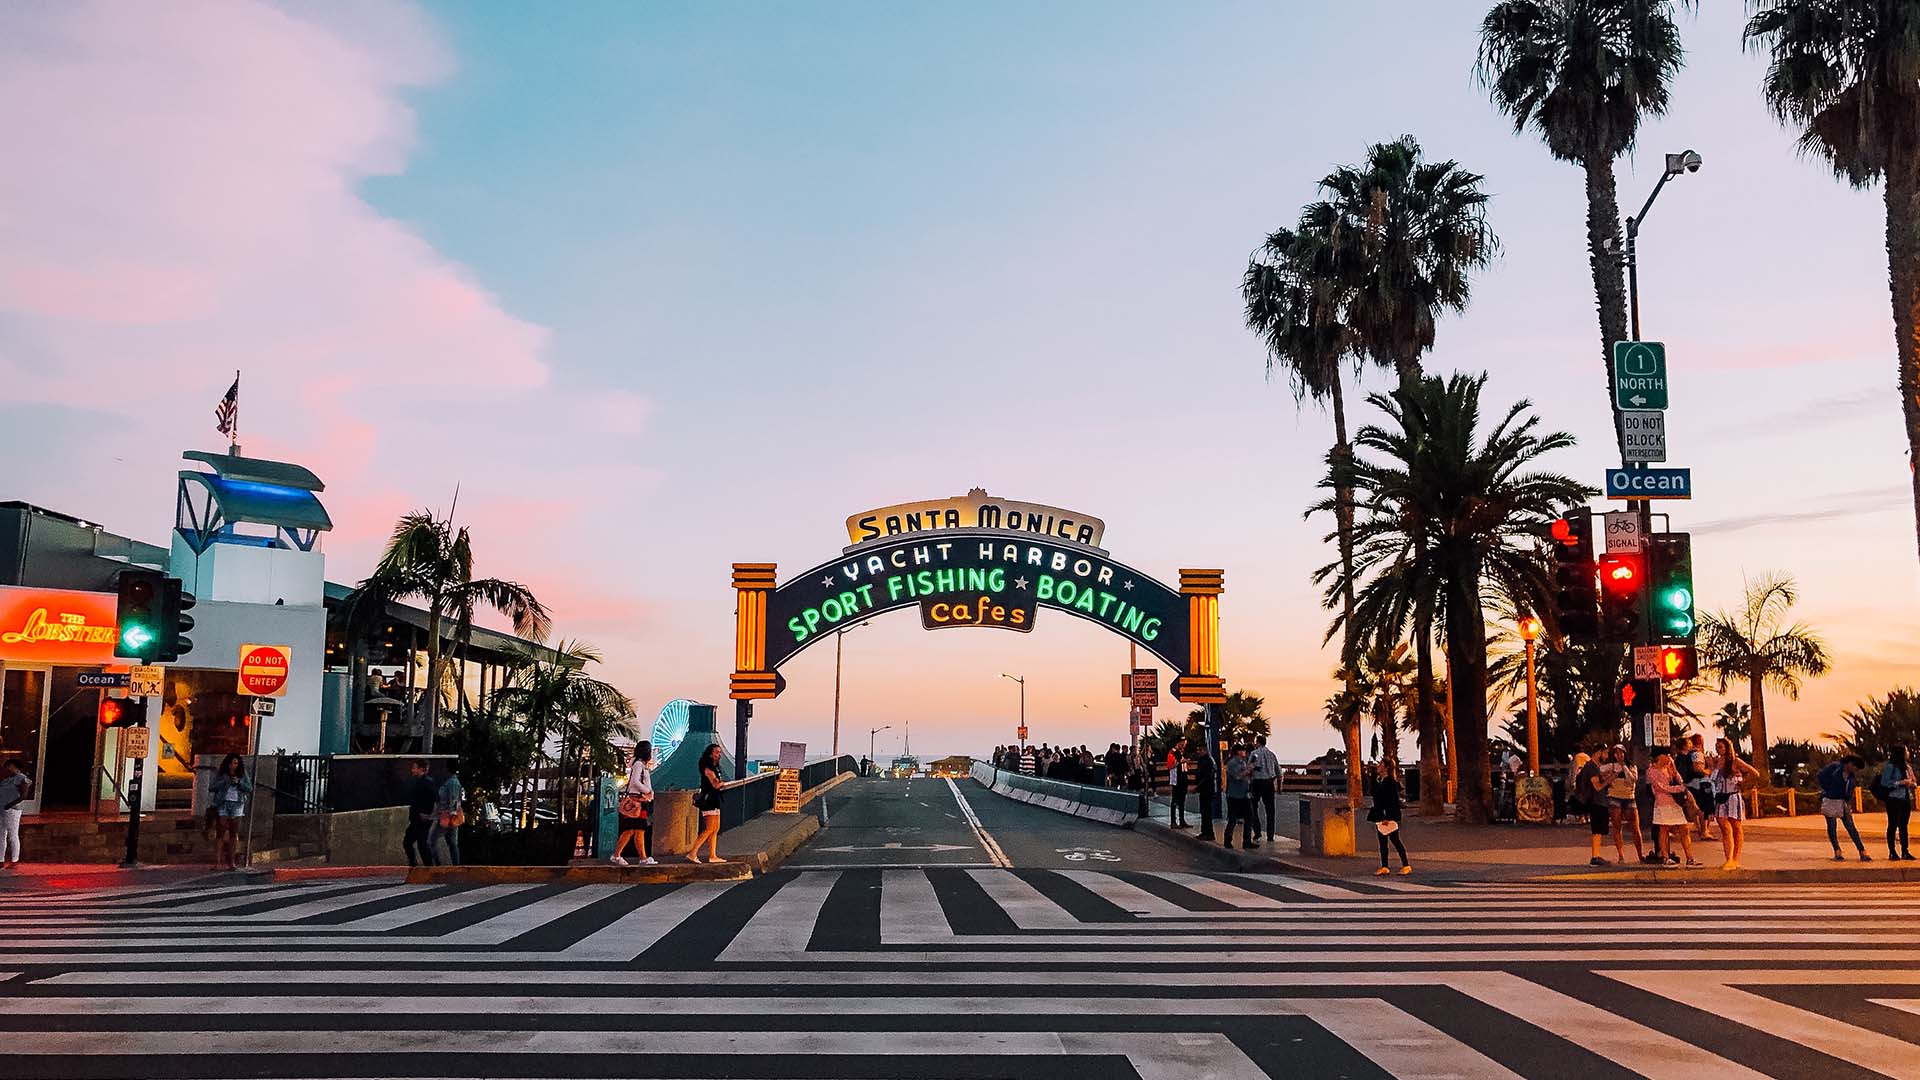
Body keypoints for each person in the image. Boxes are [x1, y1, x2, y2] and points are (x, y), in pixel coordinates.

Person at [1709, 737, 1763, 870]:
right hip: (1720, 797)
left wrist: (1742, 783)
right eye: (1717, 747)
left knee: (1736, 827)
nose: (1718, 749)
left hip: (1733, 797)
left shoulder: (1735, 761)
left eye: (1720, 747)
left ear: (1727, 748)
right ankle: (1729, 859)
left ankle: (1735, 858)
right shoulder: (1716, 762)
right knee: (1725, 828)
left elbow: (1754, 773)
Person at [1646, 751, 1699, 868]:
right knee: (1664, 829)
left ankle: (1689, 857)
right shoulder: (1652, 771)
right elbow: (1660, 787)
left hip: (1675, 803)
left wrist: (1673, 769)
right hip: (1663, 802)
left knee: (1684, 828)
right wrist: (1677, 789)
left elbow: (1679, 780)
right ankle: (1665, 856)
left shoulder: (1668, 768)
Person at [1817, 756, 1871, 862]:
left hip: (1843, 801)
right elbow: (1820, 776)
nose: (1855, 770)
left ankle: (1862, 850)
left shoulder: (1851, 775)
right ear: (1849, 764)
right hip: (1831, 800)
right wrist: (1829, 789)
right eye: (1855, 767)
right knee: (1832, 827)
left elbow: (1850, 787)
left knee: (1851, 827)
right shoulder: (1834, 767)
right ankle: (1837, 851)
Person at [611, 741, 656, 866]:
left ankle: (642, 857)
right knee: (632, 829)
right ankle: (617, 855)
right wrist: (648, 791)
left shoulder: (640, 764)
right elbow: (635, 782)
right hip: (637, 801)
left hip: (640, 800)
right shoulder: (638, 765)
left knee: (637, 830)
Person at [1602, 745, 1648, 865]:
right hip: (1614, 796)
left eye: (1621, 753)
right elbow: (1600, 771)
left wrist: (1624, 767)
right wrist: (1611, 773)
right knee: (1617, 826)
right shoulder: (1611, 766)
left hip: (1629, 797)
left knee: (1635, 827)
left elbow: (1632, 779)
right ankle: (1621, 854)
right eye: (1616, 753)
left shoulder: (1632, 766)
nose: (1619, 755)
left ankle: (1640, 854)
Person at [207, 754, 252, 870]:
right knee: (220, 832)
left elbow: (249, 788)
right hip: (223, 803)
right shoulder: (222, 774)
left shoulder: (242, 774)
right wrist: (225, 782)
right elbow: (211, 787)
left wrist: (239, 783)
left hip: (237, 804)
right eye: (231, 763)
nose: (233, 766)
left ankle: (232, 862)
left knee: (234, 833)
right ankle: (217, 862)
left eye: (236, 763)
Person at [1368, 760, 1410, 875]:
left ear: (1386, 768)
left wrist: (1388, 816)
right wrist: (1373, 778)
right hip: (1379, 814)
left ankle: (1406, 864)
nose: (1378, 766)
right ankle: (1384, 866)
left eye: (1381, 765)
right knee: (1382, 842)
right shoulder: (1379, 781)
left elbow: (1391, 800)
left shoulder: (1390, 782)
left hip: (1388, 815)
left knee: (1395, 840)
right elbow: (1373, 793)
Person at [1879, 744, 1916, 860]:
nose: (1908, 753)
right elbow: (1884, 782)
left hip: (1906, 798)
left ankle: (1905, 851)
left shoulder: (1907, 767)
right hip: (1894, 799)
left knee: (1904, 826)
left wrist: (1911, 784)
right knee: (1893, 825)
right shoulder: (1890, 766)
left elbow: (1914, 781)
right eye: (1906, 751)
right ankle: (1892, 851)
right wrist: (1900, 783)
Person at [1572, 749, 1609, 867]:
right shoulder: (1592, 767)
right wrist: (1610, 779)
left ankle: (1596, 855)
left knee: (1599, 830)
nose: (1606, 756)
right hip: (1596, 801)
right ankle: (1595, 856)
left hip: (1596, 801)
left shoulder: (1593, 766)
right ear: (1599, 752)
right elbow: (1597, 786)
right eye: (1605, 753)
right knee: (1597, 830)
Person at [690, 743, 725, 864]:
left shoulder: (715, 768)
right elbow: (715, 784)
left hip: (714, 799)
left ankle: (713, 855)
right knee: (710, 828)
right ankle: (693, 853)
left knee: (715, 828)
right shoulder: (707, 768)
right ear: (710, 754)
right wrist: (722, 784)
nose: (719, 755)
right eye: (716, 752)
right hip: (709, 799)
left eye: (719, 753)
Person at [403, 759, 437, 868]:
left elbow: (434, 799)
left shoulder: (428, 782)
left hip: (423, 820)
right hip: (415, 819)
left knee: (422, 845)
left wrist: (428, 814)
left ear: (421, 769)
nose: (412, 770)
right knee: (408, 842)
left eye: (414, 767)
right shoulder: (417, 781)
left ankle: (429, 869)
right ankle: (414, 864)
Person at [0, 757, 32, 869]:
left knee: (12, 834)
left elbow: (24, 795)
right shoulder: (7, 779)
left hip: (12, 809)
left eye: (9, 766)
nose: (7, 769)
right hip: (2, 808)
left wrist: (10, 804)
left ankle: (14, 860)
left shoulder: (22, 778)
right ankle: (1, 859)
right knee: (1, 834)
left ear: (14, 766)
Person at [431, 763, 465, 867]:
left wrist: (452, 816)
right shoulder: (451, 782)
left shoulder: (452, 783)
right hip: (447, 816)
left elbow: (454, 800)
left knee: (432, 841)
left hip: (448, 817)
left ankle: (439, 865)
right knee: (452, 842)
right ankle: (455, 865)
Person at [1222, 745, 1254, 850]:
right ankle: (1227, 840)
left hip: (1244, 794)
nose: (1245, 752)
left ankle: (1247, 841)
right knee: (1233, 819)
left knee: (1249, 817)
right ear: (1238, 752)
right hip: (1234, 795)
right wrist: (1248, 770)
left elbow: (1245, 777)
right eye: (1243, 750)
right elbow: (1237, 776)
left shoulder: (1243, 762)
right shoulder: (1232, 763)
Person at [1249, 735, 1279, 844]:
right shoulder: (1272, 754)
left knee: (1253, 807)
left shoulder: (1254, 754)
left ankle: (1257, 831)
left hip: (1257, 782)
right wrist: (1279, 787)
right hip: (1269, 782)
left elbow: (1250, 768)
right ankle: (1270, 835)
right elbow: (1278, 771)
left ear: (1258, 742)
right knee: (1270, 809)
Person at [1192, 742, 1217, 842]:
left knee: (1206, 812)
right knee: (1204, 811)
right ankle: (1205, 831)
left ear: (1205, 750)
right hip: (1204, 789)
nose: (1198, 752)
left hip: (1207, 789)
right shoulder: (1203, 760)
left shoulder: (1208, 761)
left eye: (1200, 750)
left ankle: (1208, 833)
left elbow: (1207, 777)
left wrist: (1197, 787)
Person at [1166, 739, 1189, 828]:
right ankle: (1173, 821)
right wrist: (1180, 762)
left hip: (1183, 777)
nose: (1184, 746)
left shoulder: (1182, 753)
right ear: (1178, 743)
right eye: (1182, 744)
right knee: (1175, 800)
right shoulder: (1172, 753)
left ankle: (1182, 820)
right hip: (1176, 779)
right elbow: (1170, 766)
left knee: (1182, 800)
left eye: (1185, 744)